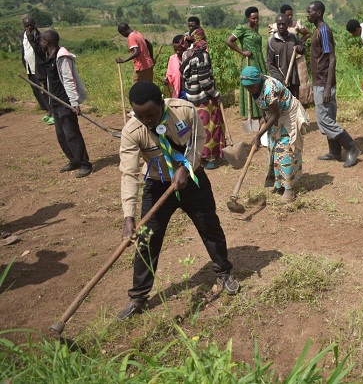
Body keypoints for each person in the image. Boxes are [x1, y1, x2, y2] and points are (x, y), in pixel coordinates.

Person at [117, 81, 239, 320]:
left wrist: (187, 166)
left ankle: (224, 272)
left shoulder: (185, 110)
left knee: (209, 226)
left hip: (192, 179)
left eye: (151, 114)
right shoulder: (132, 131)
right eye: (141, 116)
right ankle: (138, 297)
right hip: (158, 184)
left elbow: (198, 141)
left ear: (161, 103)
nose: (148, 121)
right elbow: (129, 174)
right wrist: (128, 217)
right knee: (147, 240)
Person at [240, 66, 309, 202]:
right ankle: (279, 184)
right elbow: (266, 106)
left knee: (286, 151)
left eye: (250, 87)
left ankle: (289, 191)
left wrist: (258, 134)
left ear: (257, 82)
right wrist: (263, 117)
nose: (249, 90)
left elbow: (276, 114)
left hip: (288, 115)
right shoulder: (255, 86)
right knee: (274, 149)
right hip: (275, 115)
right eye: (246, 88)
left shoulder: (270, 89)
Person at [306, 0, 359, 168]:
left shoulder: (324, 30)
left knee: (324, 120)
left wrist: (328, 86)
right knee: (328, 117)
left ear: (319, 13)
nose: (307, 14)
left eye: (310, 12)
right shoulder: (317, 30)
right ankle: (335, 152)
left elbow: (332, 58)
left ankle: (351, 148)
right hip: (319, 81)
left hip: (324, 82)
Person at [40, 30, 92, 178]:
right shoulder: (49, 57)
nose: (40, 44)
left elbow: (68, 79)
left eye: (42, 41)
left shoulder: (62, 56)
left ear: (48, 42)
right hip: (55, 102)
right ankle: (73, 160)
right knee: (61, 135)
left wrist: (74, 102)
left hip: (65, 102)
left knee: (72, 134)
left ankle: (85, 164)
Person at [179, 32, 225, 170]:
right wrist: (215, 94)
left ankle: (199, 156)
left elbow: (184, 74)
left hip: (192, 97)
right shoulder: (202, 55)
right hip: (204, 98)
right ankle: (205, 158)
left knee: (195, 127)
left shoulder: (187, 53)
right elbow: (204, 80)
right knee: (209, 128)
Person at [226, 6, 266, 120]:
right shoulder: (242, 29)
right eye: (253, 18)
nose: (256, 20)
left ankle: (261, 111)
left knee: (261, 84)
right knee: (252, 84)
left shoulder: (256, 28)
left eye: (257, 18)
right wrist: (242, 52)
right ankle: (252, 113)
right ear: (248, 18)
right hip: (249, 62)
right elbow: (228, 41)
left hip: (259, 60)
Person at [267, 13, 306, 99]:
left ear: (288, 24)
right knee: (282, 107)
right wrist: (281, 79)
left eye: (283, 24)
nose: (281, 26)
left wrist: (300, 48)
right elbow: (270, 64)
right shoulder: (271, 41)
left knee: (294, 105)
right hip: (279, 81)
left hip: (294, 79)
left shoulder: (293, 37)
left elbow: (302, 50)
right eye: (279, 24)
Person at [21, 17, 51, 124]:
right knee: (36, 90)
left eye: (31, 25)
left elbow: (40, 51)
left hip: (39, 67)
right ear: (24, 25)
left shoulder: (39, 36)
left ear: (34, 24)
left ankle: (51, 111)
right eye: (27, 25)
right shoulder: (22, 35)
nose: (29, 27)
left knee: (44, 90)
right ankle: (46, 110)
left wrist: (31, 39)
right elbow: (23, 51)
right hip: (29, 68)